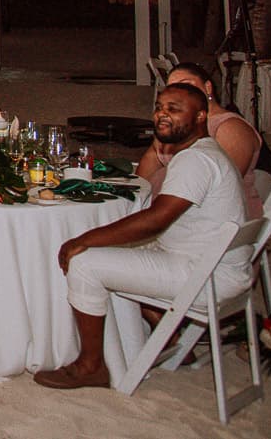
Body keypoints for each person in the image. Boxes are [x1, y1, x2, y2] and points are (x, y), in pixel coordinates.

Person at [33, 84, 251, 390]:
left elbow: (156, 218)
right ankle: (159, 334)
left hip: (205, 277)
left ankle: (90, 365)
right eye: (159, 107)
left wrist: (85, 239)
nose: (162, 114)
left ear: (201, 116)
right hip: (220, 267)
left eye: (174, 109)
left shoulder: (195, 161)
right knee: (124, 247)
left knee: (84, 262)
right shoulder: (204, 152)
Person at [137, 62, 263, 219]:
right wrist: (136, 197)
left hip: (213, 219)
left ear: (208, 87)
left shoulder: (231, 127)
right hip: (168, 209)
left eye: (186, 85)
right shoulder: (177, 124)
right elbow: (152, 159)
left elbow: (221, 185)